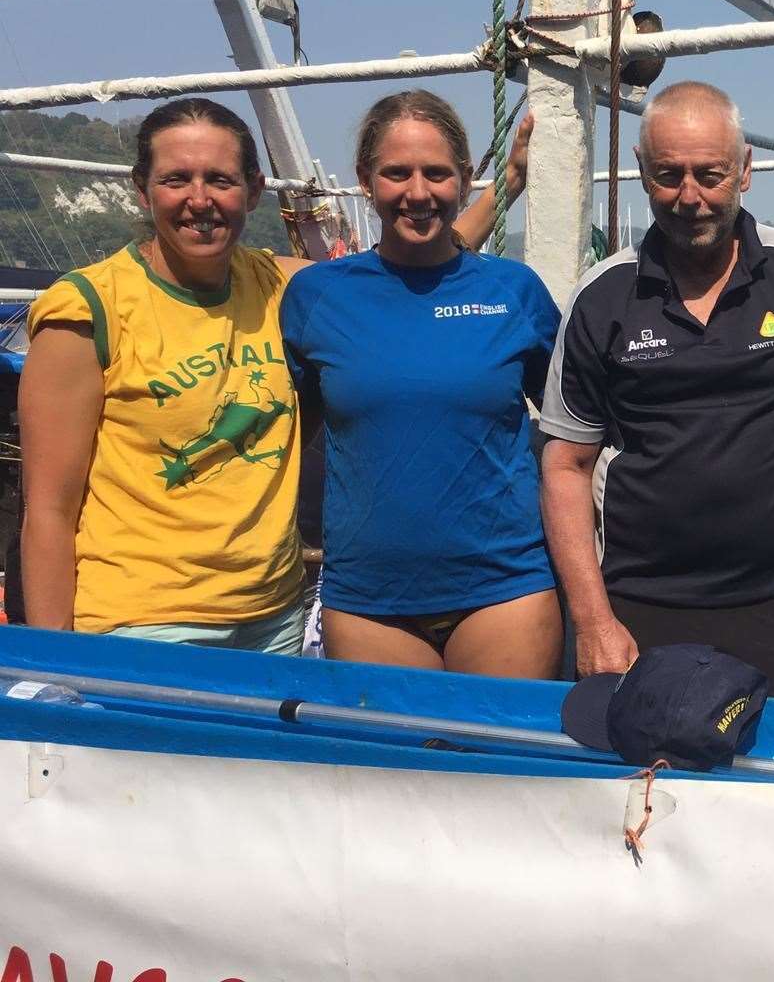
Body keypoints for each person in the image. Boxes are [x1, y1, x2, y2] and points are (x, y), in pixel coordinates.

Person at [540, 80, 774, 700]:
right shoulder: (603, 296)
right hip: (639, 605)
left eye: (709, 175)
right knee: (648, 786)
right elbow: (566, 464)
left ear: (744, 172)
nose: (690, 198)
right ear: (640, 172)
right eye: (668, 175)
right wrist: (594, 620)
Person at [281, 90, 562, 678]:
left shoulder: (515, 292)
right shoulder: (316, 297)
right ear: (365, 179)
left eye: (436, 174)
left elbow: (571, 436)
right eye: (396, 173)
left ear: (463, 179)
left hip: (504, 589)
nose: (417, 192)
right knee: (391, 772)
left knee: (502, 766)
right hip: (369, 603)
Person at [19, 99, 310, 651]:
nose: (199, 201)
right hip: (144, 624)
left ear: (253, 189)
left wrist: (497, 193)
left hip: (274, 617)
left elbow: (395, 277)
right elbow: (50, 510)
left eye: (219, 180)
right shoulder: (88, 308)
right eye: (177, 179)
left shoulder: (279, 283)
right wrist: (56, 662)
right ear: (143, 189)